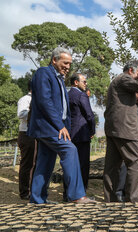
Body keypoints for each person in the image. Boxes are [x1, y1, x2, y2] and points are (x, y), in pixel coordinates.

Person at [28, 47, 94, 204]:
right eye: (65, 63)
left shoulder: (60, 79)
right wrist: (60, 126)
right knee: (70, 150)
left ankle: (37, 199)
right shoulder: (44, 73)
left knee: (45, 161)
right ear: (54, 60)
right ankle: (77, 195)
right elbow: (45, 101)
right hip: (48, 126)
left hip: (55, 127)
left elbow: (63, 108)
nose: (68, 67)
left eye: (70, 64)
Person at [103, 60, 138, 203]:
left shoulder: (118, 81)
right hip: (124, 128)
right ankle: (132, 199)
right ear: (131, 70)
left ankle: (110, 200)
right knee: (137, 160)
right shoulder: (124, 78)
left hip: (115, 128)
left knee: (113, 165)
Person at [63, 73, 95, 201]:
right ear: (76, 82)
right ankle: (80, 194)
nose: (86, 84)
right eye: (84, 81)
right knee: (82, 165)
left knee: (69, 164)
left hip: (68, 133)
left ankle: (67, 194)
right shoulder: (81, 95)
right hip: (81, 135)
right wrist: (91, 130)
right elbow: (89, 115)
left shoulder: (67, 94)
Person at [115, 91, 138, 202]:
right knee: (125, 163)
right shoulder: (128, 104)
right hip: (129, 136)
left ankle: (132, 189)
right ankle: (120, 191)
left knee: (136, 164)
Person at [17, 80, 36, 200]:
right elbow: (21, 114)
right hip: (26, 134)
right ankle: (24, 192)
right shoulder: (25, 99)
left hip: (35, 134)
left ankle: (33, 190)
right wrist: (35, 111)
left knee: (34, 163)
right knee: (27, 164)